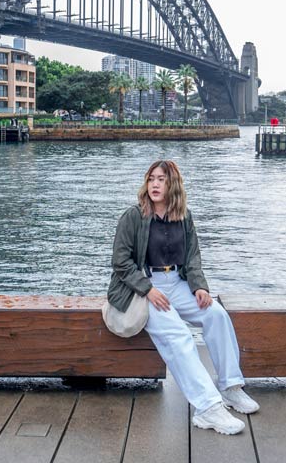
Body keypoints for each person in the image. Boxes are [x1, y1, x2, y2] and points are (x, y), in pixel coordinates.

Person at [107, 159, 259, 435]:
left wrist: (199, 287)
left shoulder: (183, 216)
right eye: (151, 178)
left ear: (172, 184)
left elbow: (192, 257)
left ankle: (230, 387)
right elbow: (120, 261)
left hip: (177, 282)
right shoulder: (134, 216)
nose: (154, 184)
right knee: (179, 335)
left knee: (216, 315)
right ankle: (207, 408)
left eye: (161, 179)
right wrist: (148, 289)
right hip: (146, 287)